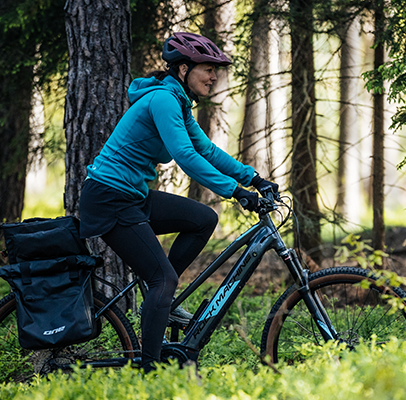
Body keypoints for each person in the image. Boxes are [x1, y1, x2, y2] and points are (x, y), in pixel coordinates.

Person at [78, 32, 278, 373]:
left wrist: (253, 179)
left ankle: (163, 302)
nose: (214, 76)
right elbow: (185, 155)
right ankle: (151, 371)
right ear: (183, 68)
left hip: (131, 195)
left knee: (202, 219)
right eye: (208, 69)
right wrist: (236, 191)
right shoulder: (164, 101)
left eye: (216, 70)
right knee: (163, 281)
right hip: (110, 199)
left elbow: (207, 150)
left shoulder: (176, 100)